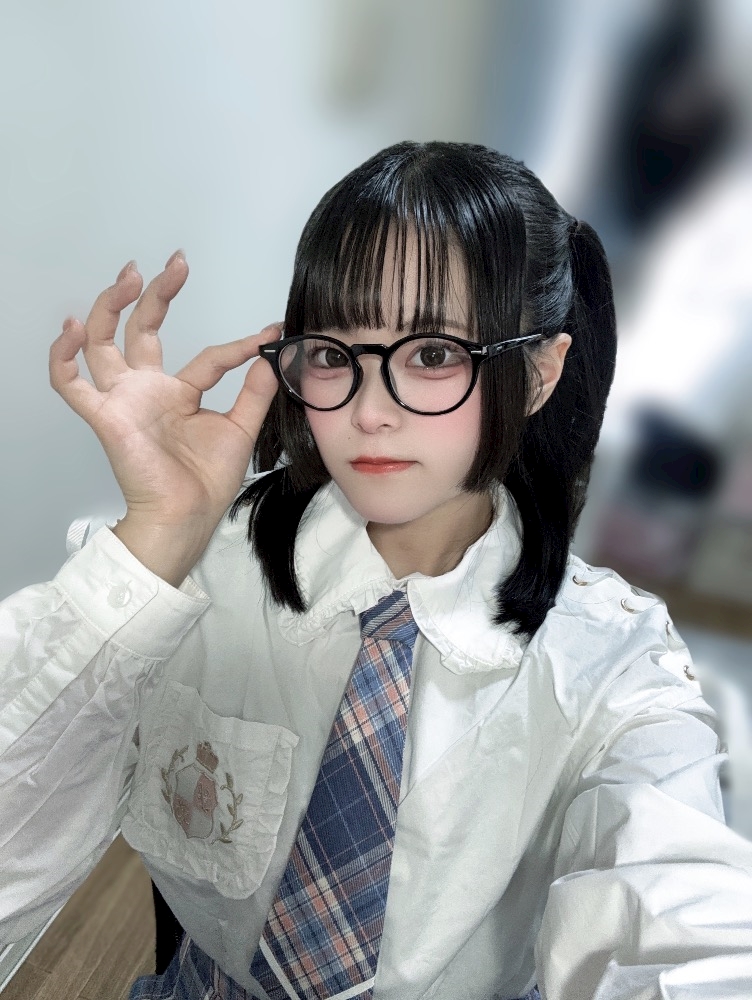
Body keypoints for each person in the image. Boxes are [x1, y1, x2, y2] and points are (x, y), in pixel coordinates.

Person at [1, 141, 751, 1000]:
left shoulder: (613, 659)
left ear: (539, 372)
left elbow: (684, 918)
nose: (369, 412)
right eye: (333, 354)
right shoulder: (190, 577)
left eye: (432, 355)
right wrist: (157, 542)